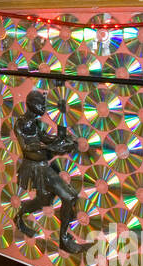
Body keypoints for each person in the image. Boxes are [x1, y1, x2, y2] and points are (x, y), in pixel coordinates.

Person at [11, 89, 91, 250]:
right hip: (35, 168)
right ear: (33, 105)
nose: (44, 108)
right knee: (69, 197)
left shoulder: (33, 122)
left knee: (44, 200)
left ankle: (19, 216)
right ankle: (64, 241)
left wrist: (62, 140)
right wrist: (52, 146)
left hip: (41, 166)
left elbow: (44, 137)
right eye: (42, 104)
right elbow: (27, 146)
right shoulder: (21, 123)